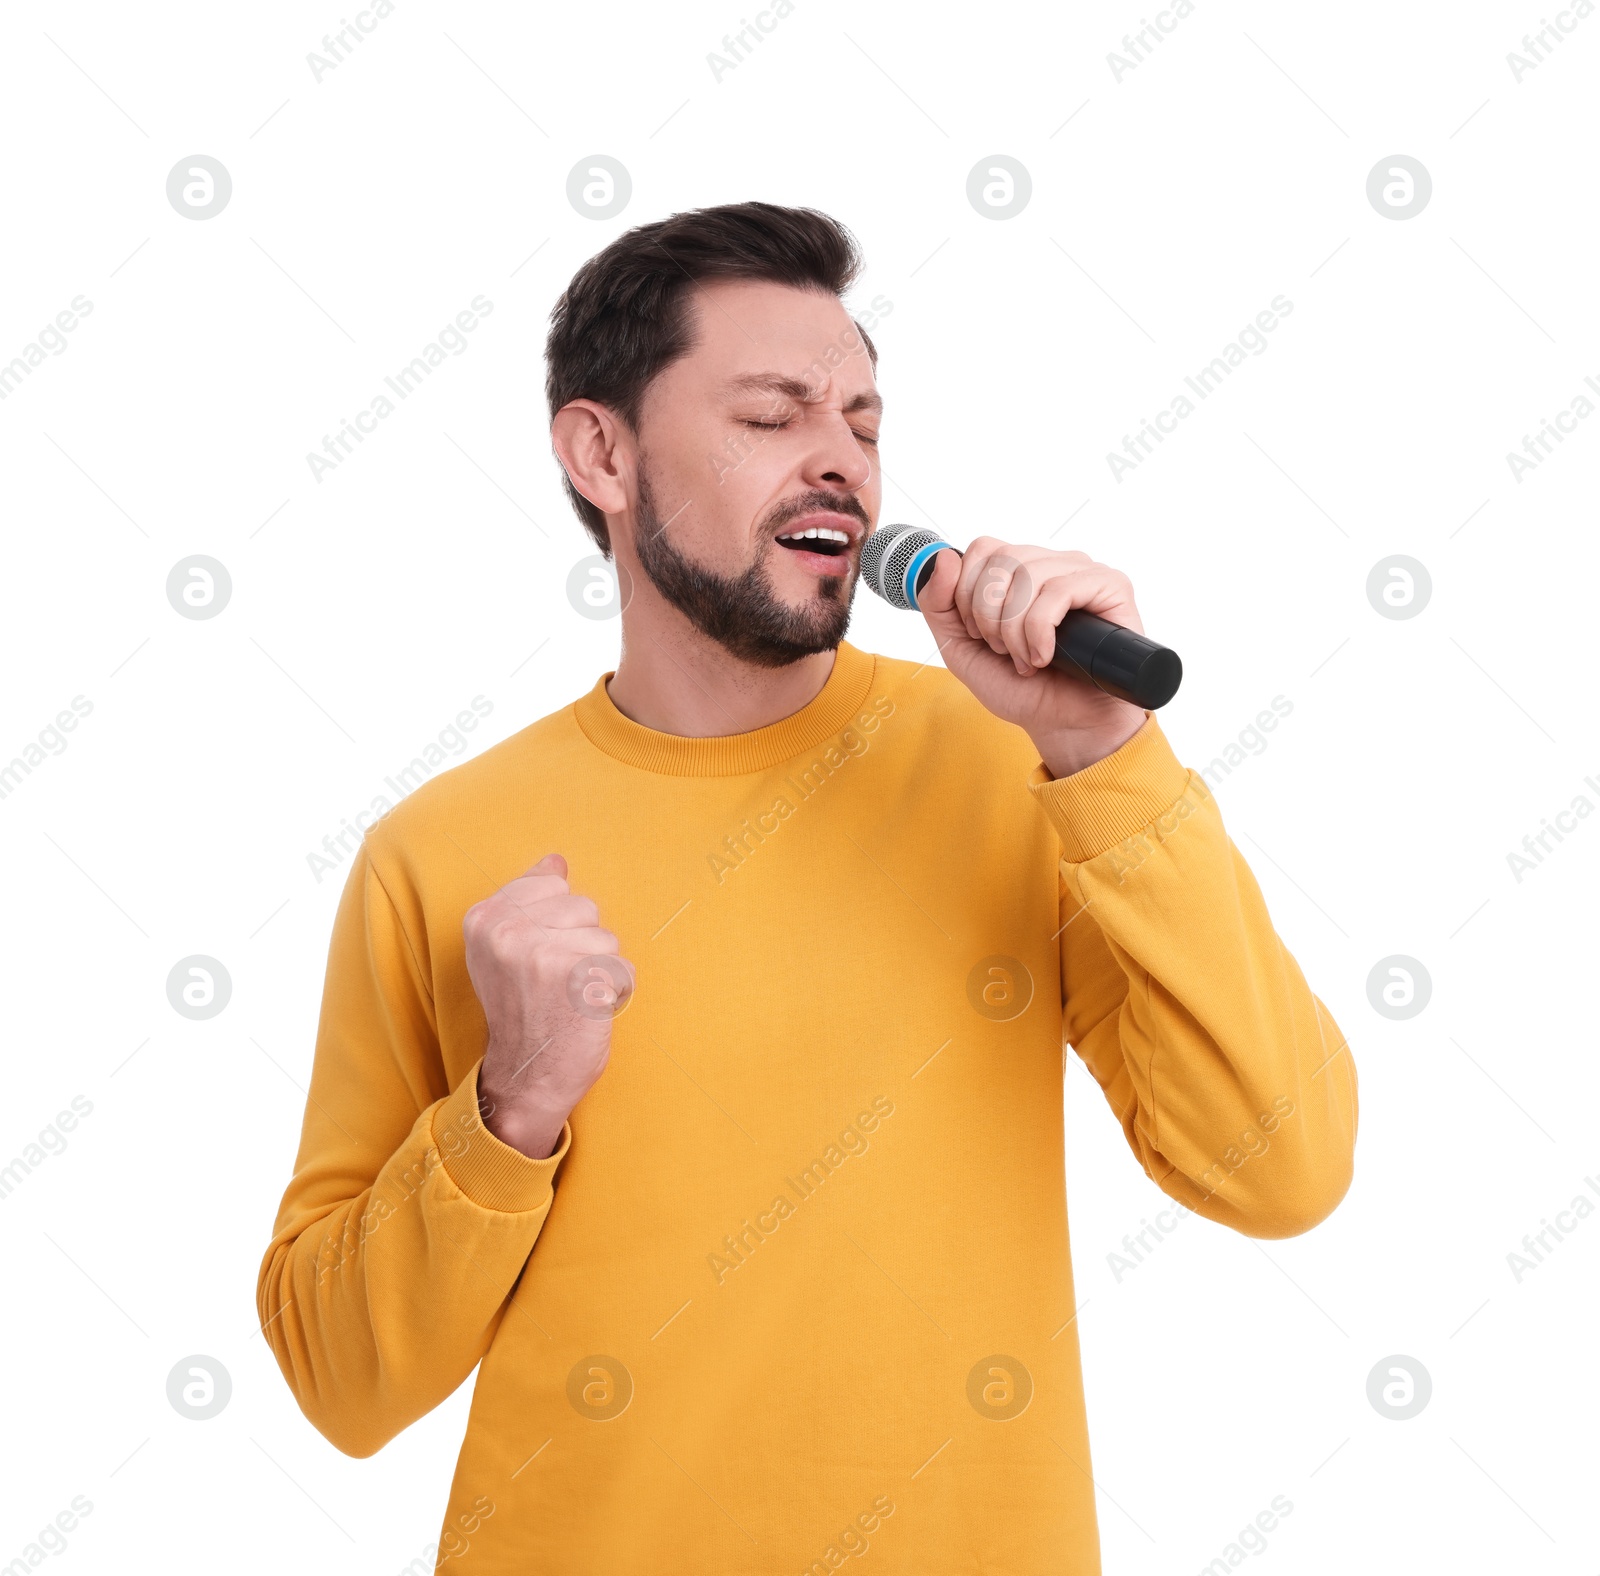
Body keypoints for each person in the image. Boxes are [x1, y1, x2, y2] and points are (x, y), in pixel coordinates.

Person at [257, 201, 1357, 1573]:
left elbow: (1284, 1172)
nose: (839, 461)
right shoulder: (441, 849)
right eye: (774, 417)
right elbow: (341, 1385)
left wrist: (1106, 756)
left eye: (864, 424)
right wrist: (508, 1112)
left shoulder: (1028, 769)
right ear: (603, 452)